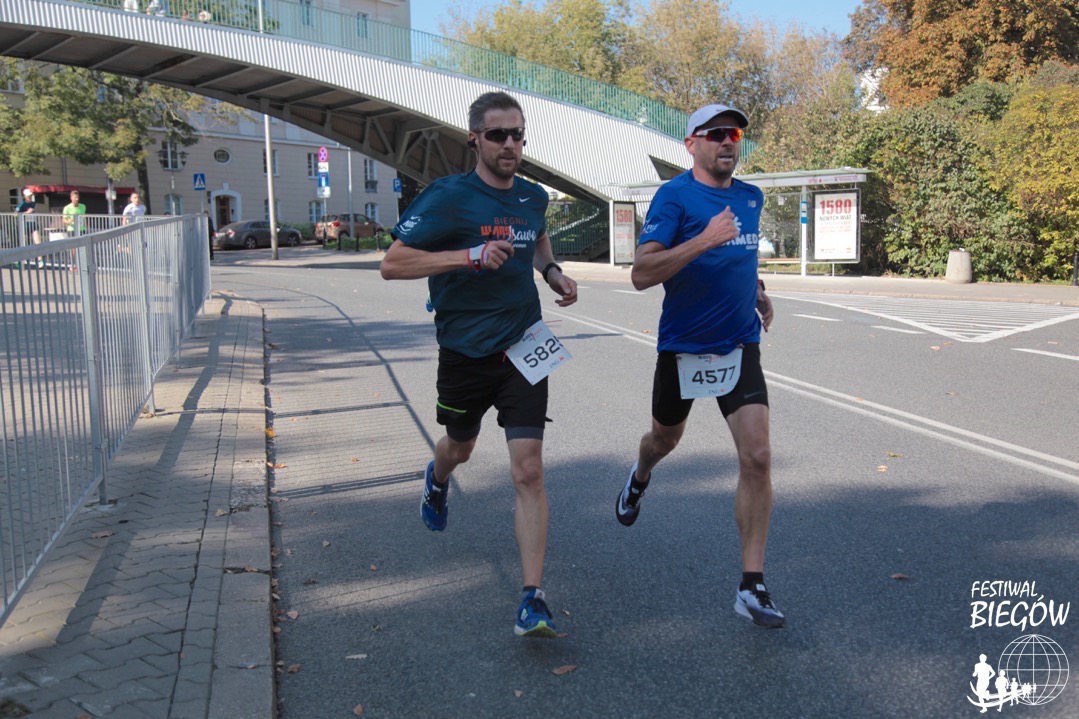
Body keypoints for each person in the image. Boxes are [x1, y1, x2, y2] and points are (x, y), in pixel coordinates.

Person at [380, 91, 578, 638]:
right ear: (475, 139)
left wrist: (553, 272)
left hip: (524, 345)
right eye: (498, 134)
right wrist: (467, 256)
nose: (510, 144)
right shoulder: (449, 197)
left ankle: (532, 597)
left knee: (529, 469)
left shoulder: (533, 197)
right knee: (459, 447)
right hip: (465, 352)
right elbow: (393, 264)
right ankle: (438, 476)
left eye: (518, 134)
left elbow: (537, 237)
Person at [614, 103, 783, 628]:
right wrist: (705, 238)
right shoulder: (674, 196)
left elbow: (740, 255)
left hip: (738, 344)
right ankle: (640, 474)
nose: (728, 141)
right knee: (663, 440)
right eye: (716, 134)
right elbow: (642, 273)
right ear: (691, 144)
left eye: (735, 134)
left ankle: (751, 585)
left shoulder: (750, 196)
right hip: (684, 347)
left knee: (757, 457)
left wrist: (757, 289)